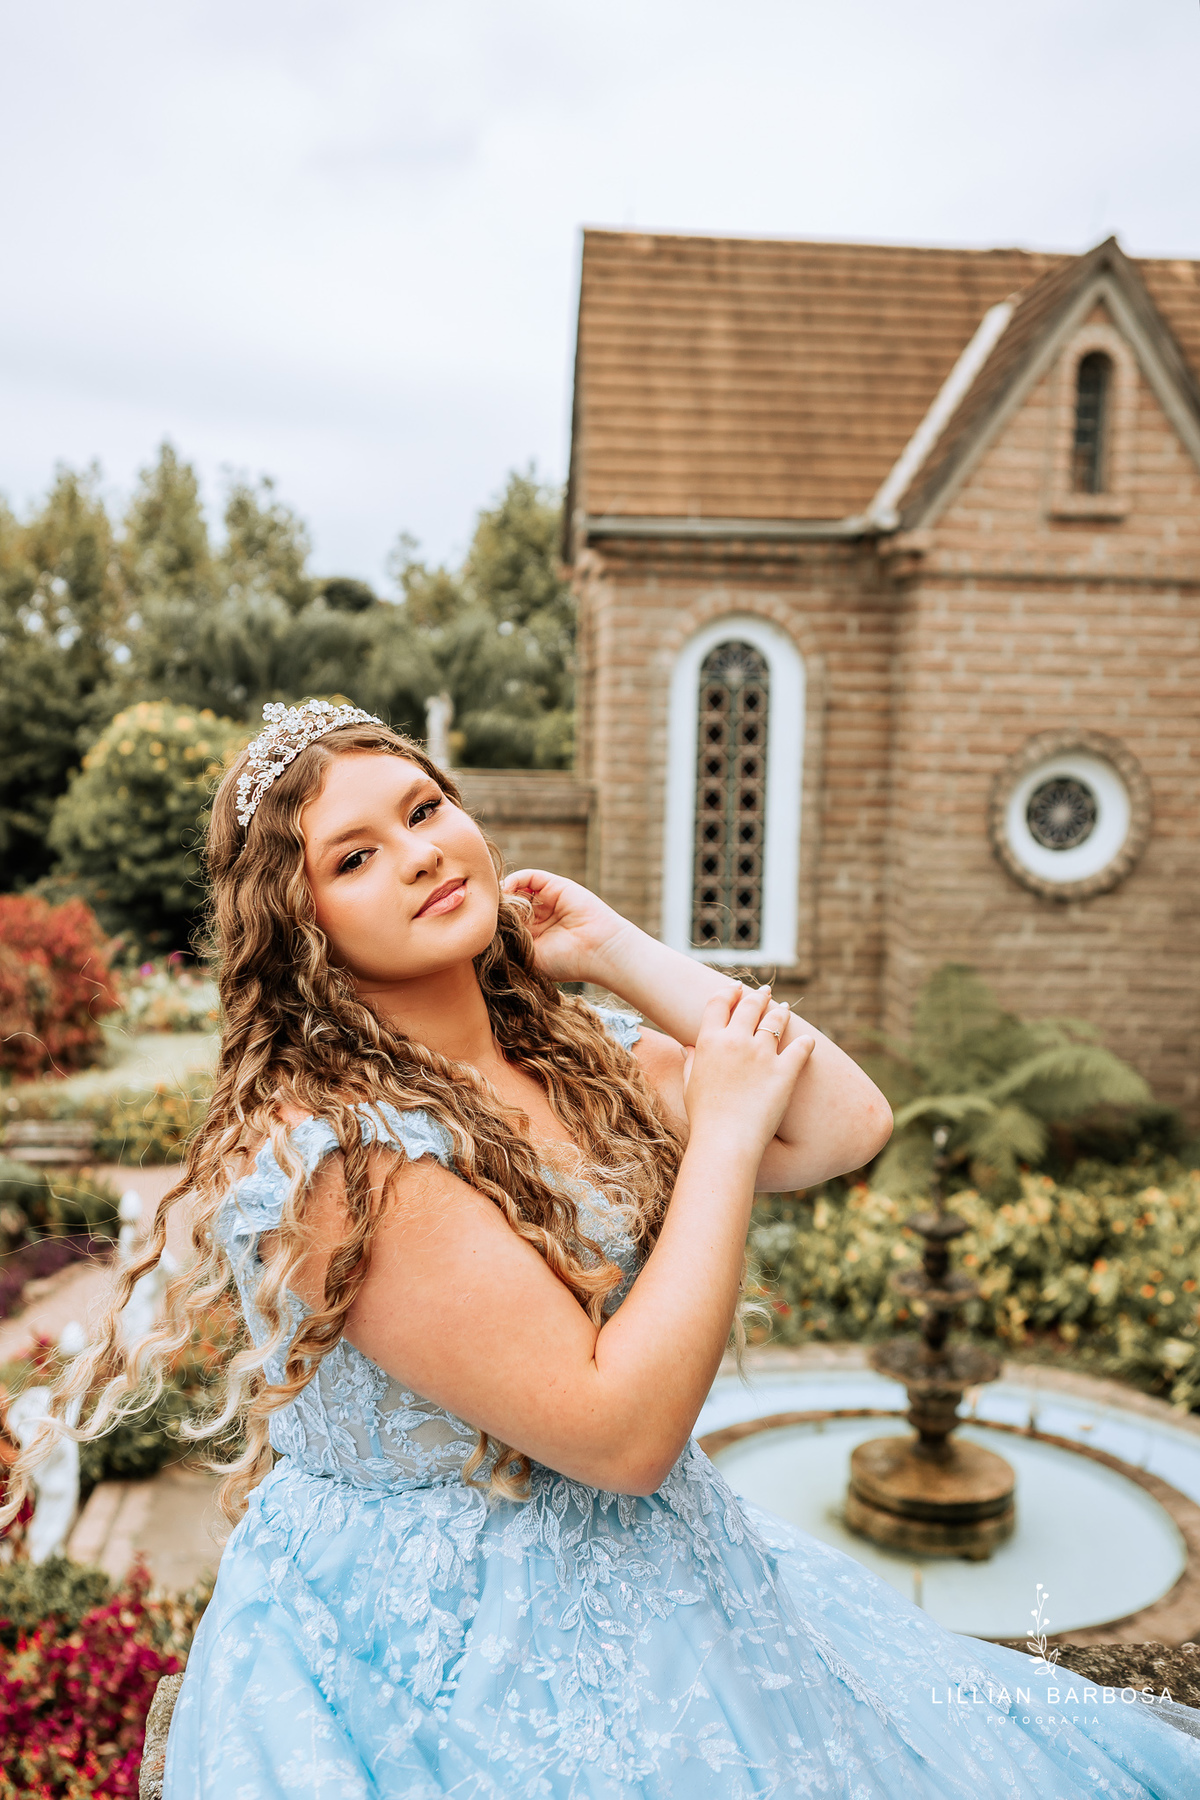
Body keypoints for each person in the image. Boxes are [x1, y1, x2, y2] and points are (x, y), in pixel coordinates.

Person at [9, 699, 1200, 1798]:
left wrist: (621, 949)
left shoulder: (573, 1054)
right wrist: (722, 1139)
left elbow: (848, 1121)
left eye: (425, 809)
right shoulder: (340, 1156)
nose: (420, 851)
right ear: (302, 928)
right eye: (355, 856)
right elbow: (621, 1438)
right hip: (428, 1643)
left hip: (658, 1567)